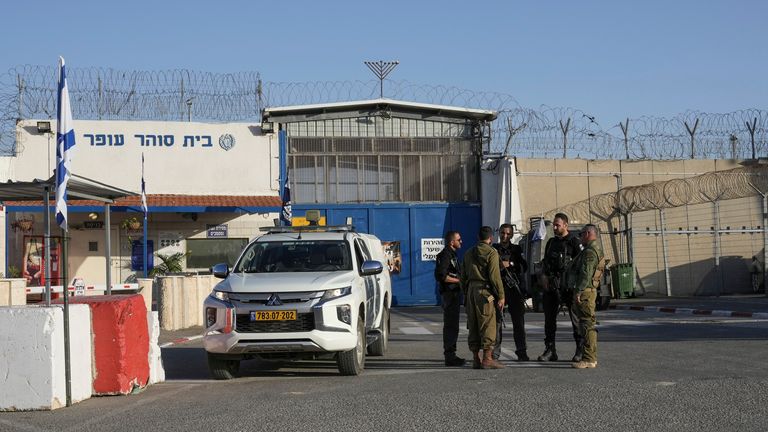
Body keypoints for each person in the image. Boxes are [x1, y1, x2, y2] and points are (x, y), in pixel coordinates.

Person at [537, 213, 583, 362]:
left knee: (576, 320)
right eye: (554, 225)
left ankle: (580, 350)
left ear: (565, 225)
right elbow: (545, 262)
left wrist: (577, 286)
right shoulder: (551, 242)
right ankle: (550, 350)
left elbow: (582, 264)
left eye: (558, 225)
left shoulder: (574, 242)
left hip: (568, 287)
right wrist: (544, 276)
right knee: (549, 321)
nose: (555, 228)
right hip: (552, 286)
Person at [461, 226, 506, 369]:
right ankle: (487, 358)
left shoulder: (468, 253)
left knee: (473, 323)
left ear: (478, 237)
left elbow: (462, 276)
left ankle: (476, 358)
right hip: (486, 293)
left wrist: (466, 292)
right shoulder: (492, 253)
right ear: (490, 238)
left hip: (471, 292)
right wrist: (501, 296)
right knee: (488, 323)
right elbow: (495, 276)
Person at [567, 224, 606, 369]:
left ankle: (589, 358)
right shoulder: (593, 249)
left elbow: (586, 273)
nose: (580, 237)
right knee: (587, 324)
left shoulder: (590, 252)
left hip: (586, 292)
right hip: (588, 291)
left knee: (586, 325)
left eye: (582, 234)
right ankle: (590, 356)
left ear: (588, 233)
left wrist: (578, 291)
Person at [492, 223, 529, 361]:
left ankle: (521, 351)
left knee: (518, 323)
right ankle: (495, 353)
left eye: (508, 233)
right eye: (502, 233)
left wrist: (511, 264)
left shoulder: (517, 249)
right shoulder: (494, 249)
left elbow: (523, 266)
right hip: (499, 289)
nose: (505, 236)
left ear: (512, 235)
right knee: (496, 323)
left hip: (514, 289)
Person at [434, 231, 466, 367]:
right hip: (449, 294)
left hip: (454, 294)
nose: (461, 241)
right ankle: (450, 356)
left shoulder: (452, 254)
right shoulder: (445, 255)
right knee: (451, 326)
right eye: (459, 239)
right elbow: (441, 275)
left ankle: (452, 354)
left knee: (454, 326)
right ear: (451, 242)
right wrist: (458, 281)